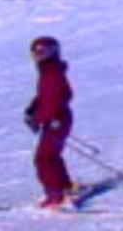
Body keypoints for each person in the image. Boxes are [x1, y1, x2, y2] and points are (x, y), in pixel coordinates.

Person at [23, 36, 75, 209]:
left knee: (43, 159)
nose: (38, 57)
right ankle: (65, 187)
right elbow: (44, 97)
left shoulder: (53, 74)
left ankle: (55, 194)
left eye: (42, 52)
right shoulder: (47, 73)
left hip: (57, 121)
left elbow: (59, 99)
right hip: (55, 120)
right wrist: (32, 109)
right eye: (35, 53)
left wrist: (39, 119)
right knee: (51, 156)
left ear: (53, 52)